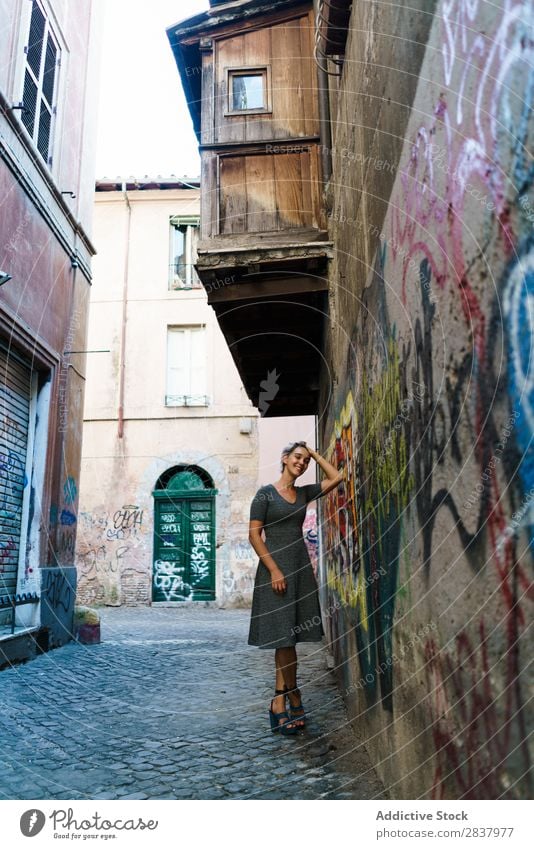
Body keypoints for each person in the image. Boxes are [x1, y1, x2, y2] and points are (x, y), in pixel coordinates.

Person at [248, 441, 343, 735]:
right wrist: (274, 569)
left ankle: (281, 699)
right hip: (274, 571)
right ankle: (291, 697)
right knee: (284, 638)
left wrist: (315, 454)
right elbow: (254, 535)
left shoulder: (303, 492)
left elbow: (338, 477)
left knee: (289, 637)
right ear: (285, 458)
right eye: (297, 457)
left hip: (299, 569)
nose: (302, 463)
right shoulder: (265, 494)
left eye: (305, 460)